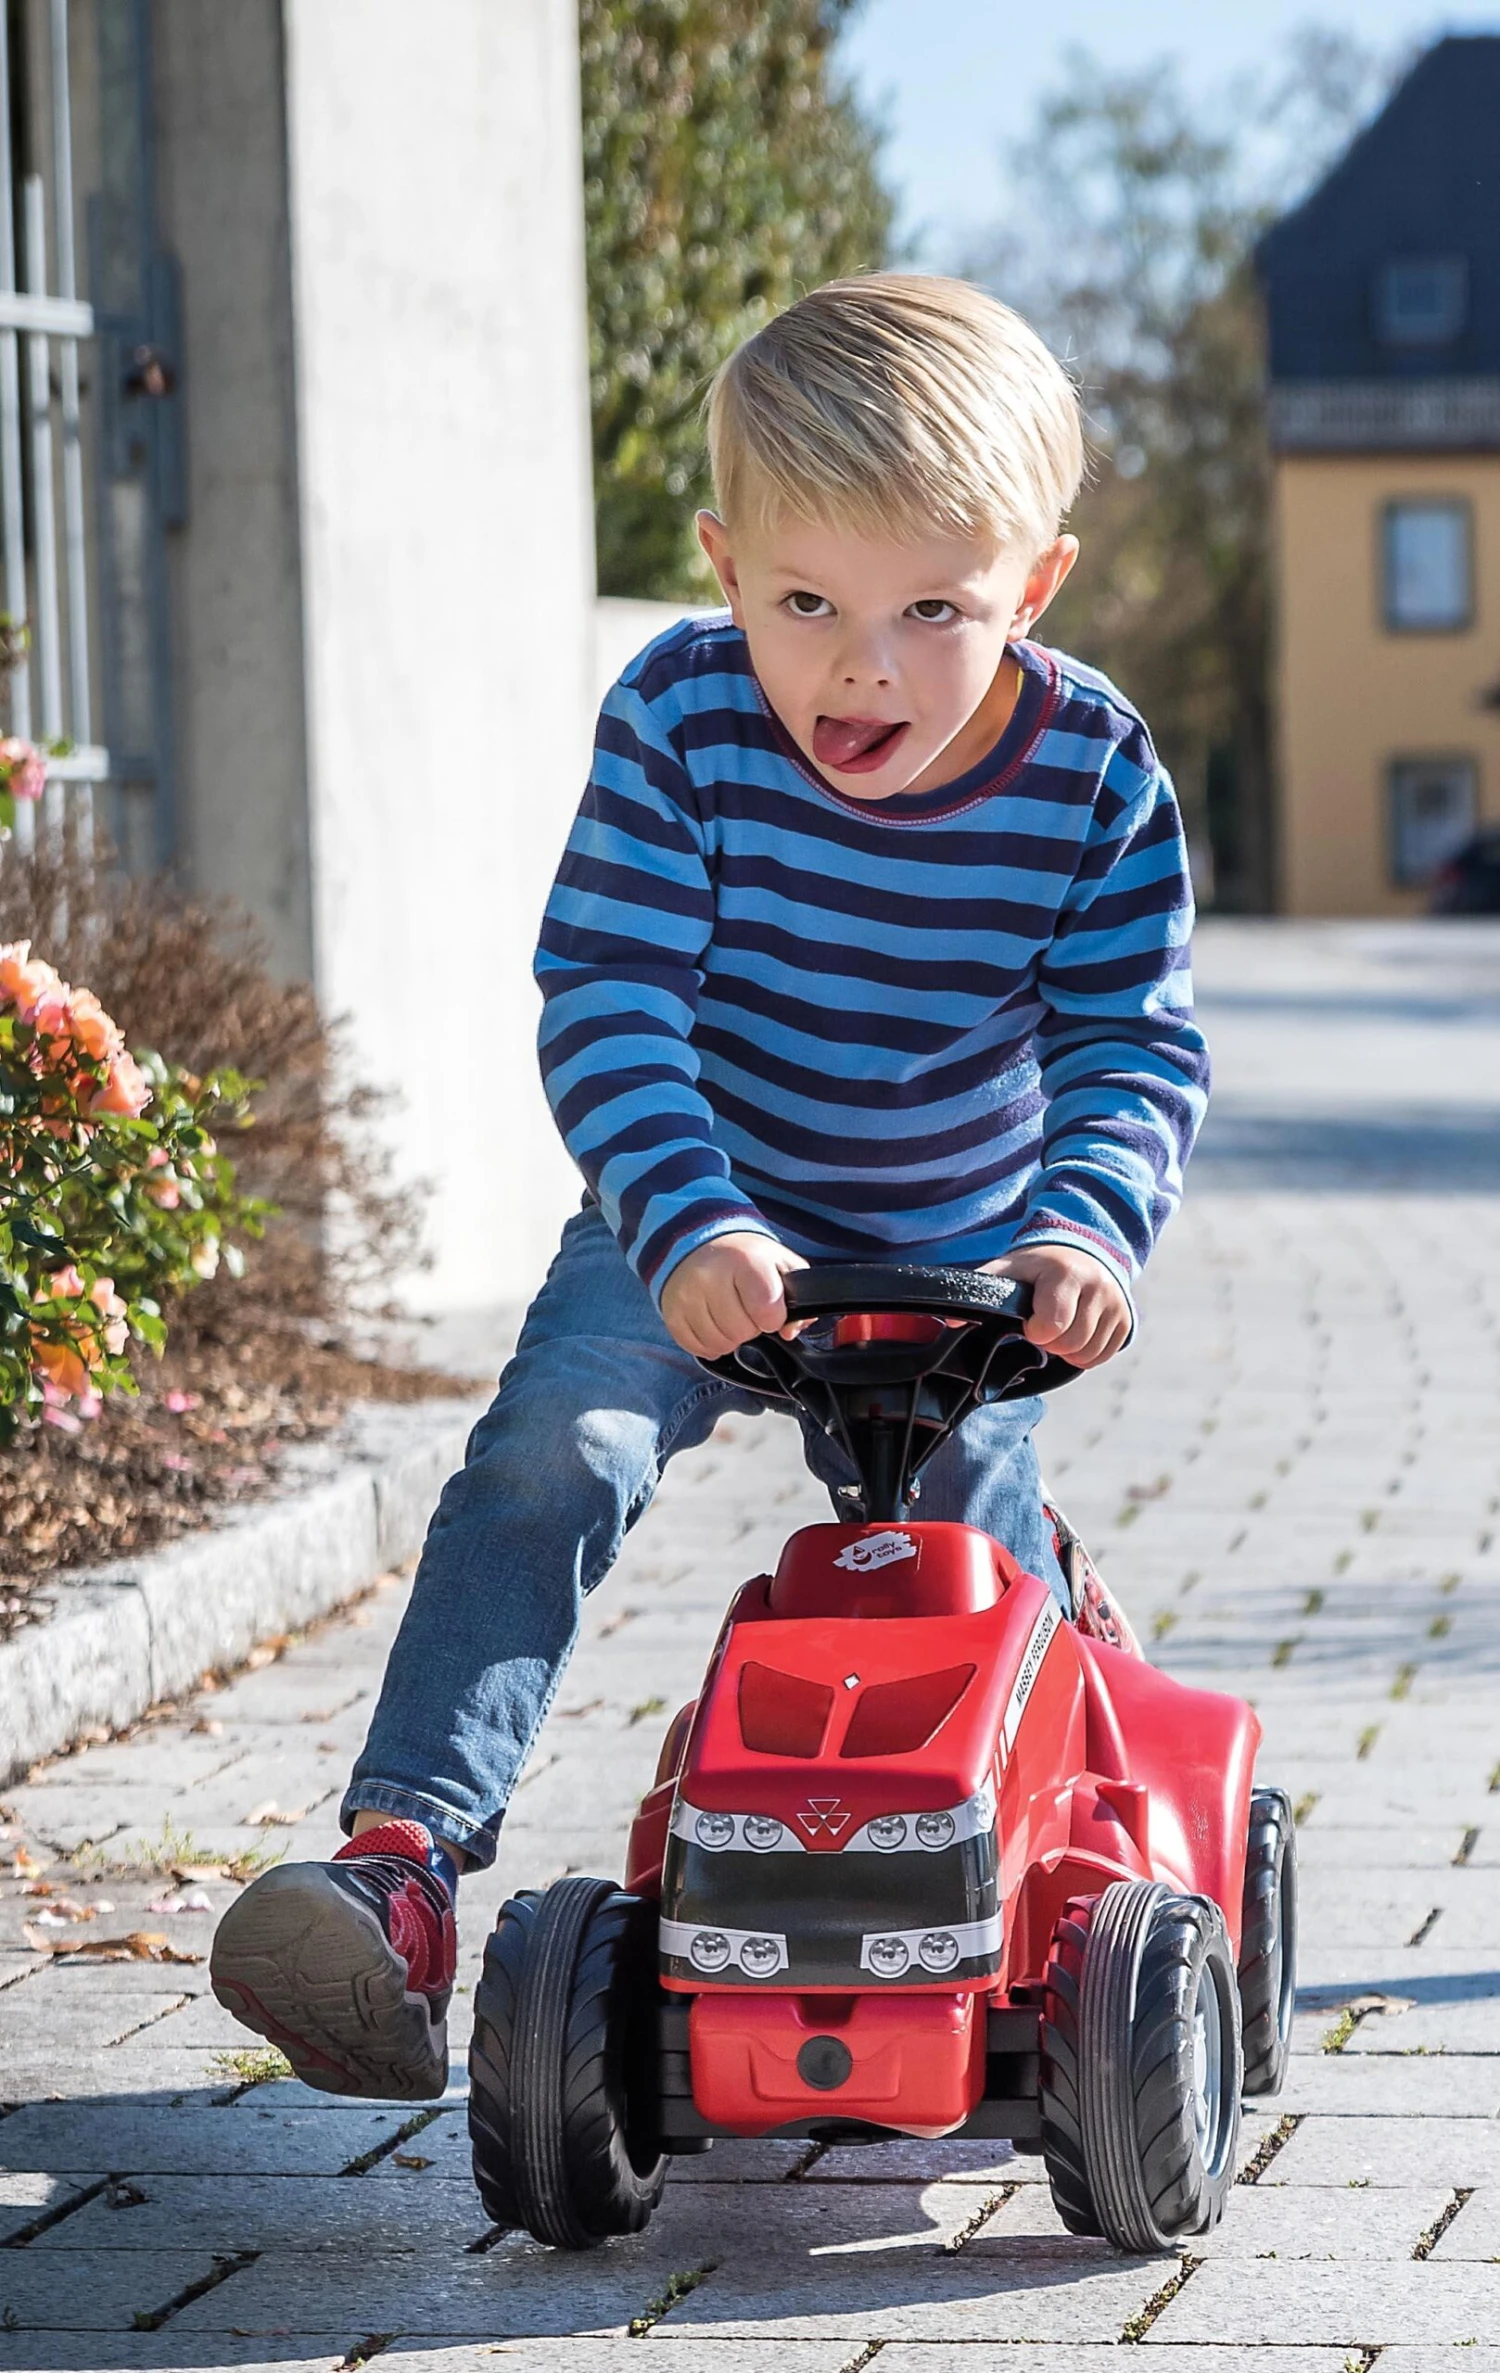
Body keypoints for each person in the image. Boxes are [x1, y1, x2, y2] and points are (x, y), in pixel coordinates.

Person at [210, 274, 1208, 2101]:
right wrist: (686, 1216)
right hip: (699, 1213)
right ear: (723, 560)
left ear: (1035, 588)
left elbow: (1132, 1042)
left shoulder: (1091, 776)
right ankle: (403, 1871)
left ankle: (1022, 1842)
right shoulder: (681, 717)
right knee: (551, 1454)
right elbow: (611, 992)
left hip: (957, 1258)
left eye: (935, 612)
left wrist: (1082, 1226)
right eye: (805, 603)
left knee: (960, 1574)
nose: (863, 668)